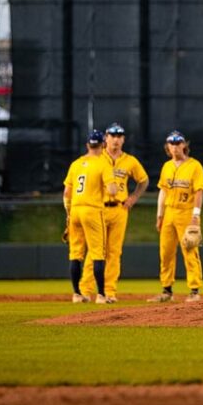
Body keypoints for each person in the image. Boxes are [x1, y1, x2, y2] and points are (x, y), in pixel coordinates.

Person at [79, 123, 149, 303]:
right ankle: (85, 290)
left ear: (123, 139)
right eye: (112, 135)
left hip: (119, 209)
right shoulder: (97, 158)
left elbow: (144, 180)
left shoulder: (129, 161)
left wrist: (133, 197)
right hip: (99, 208)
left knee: (114, 252)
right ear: (105, 139)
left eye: (119, 136)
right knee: (95, 251)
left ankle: (109, 292)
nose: (116, 139)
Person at [149, 131, 203, 303]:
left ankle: (194, 290)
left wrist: (196, 215)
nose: (174, 147)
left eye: (177, 143)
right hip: (169, 213)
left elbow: (199, 191)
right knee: (165, 252)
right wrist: (159, 215)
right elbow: (163, 191)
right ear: (167, 147)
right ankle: (167, 290)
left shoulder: (194, 166)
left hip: (187, 212)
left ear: (184, 145)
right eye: (171, 144)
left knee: (190, 250)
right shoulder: (166, 166)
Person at [63, 130, 116, 303]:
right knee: (97, 253)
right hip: (92, 210)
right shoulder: (103, 163)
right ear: (103, 145)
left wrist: (68, 214)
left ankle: (77, 294)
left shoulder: (76, 164)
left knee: (75, 254)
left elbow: (66, 193)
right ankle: (101, 295)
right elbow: (113, 191)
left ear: (87, 145)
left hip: (75, 210)